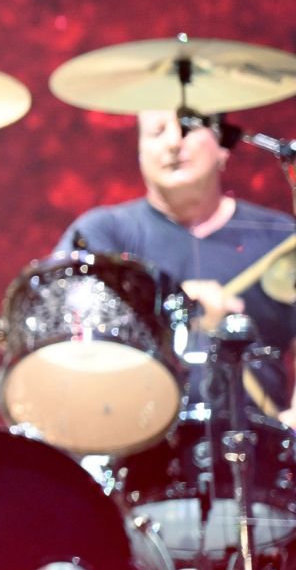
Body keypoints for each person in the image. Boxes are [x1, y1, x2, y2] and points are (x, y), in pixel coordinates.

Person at [56, 110, 296, 422]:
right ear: (140, 152)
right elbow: (70, 337)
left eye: (187, 128)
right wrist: (175, 307)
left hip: (262, 448)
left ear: (224, 146)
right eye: (157, 132)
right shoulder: (102, 234)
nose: (173, 143)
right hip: (138, 445)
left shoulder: (281, 238)